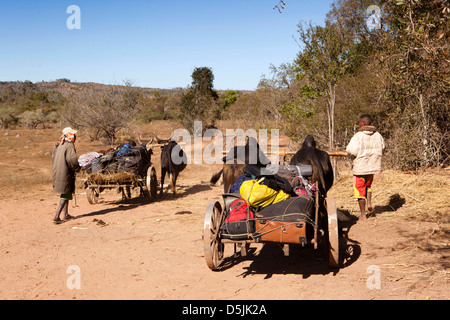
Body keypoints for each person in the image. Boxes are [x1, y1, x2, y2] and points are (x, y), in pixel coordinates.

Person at [346, 114, 385, 220]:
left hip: (360, 168)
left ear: (363, 123)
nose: (358, 124)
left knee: (359, 190)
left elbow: (351, 150)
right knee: (368, 186)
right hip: (372, 167)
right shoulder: (378, 135)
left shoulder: (358, 136)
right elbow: (383, 147)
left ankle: (363, 214)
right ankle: (369, 203)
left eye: (359, 122)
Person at [52, 127, 80, 224]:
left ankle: (66, 214)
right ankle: (56, 216)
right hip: (65, 172)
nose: (75, 136)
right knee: (65, 193)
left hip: (58, 171)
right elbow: (71, 159)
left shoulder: (60, 145)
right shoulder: (69, 145)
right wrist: (77, 167)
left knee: (66, 191)